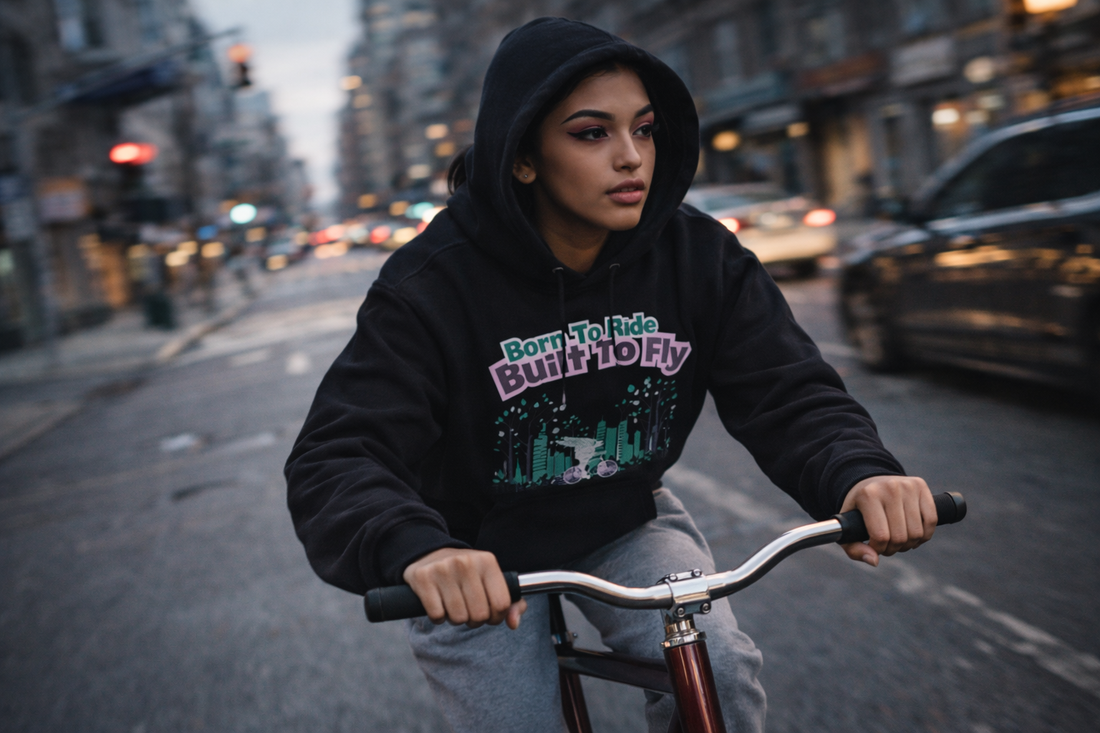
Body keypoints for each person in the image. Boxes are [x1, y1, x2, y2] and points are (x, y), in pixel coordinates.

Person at [285, 17, 937, 733]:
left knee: (716, 673)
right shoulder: (429, 284)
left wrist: (858, 472)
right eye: (592, 133)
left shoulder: (698, 255)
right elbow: (338, 455)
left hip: (622, 518)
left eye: (645, 129)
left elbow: (788, 388)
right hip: (471, 555)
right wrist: (418, 549)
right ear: (524, 155)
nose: (631, 157)